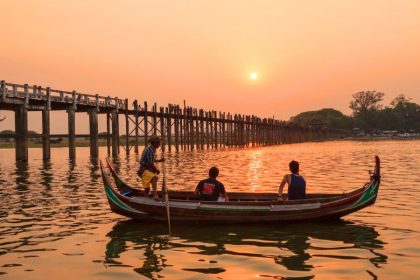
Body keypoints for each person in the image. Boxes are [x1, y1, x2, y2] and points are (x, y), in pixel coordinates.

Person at [138, 136, 165, 200]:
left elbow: (150, 160)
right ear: (155, 143)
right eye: (159, 143)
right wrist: (156, 170)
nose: (159, 145)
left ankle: (145, 199)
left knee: (147, 189)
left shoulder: (150, 149)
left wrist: (159, 160)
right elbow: (150, 163)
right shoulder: (150, 150)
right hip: (143, 170)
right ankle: (155, 195)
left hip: (145, 170)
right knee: (154, 178)